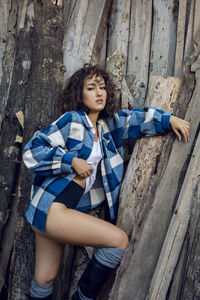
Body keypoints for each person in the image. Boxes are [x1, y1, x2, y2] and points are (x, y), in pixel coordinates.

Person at [23, 63, 190, 300]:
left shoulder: (108, 125)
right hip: (50, 208)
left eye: (102, 87)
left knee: (45, 279)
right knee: (119, 241)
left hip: (57, 213)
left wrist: (169, 119)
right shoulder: (71, 121)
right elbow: (33, 150)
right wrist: (71, 161)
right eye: (91, 88)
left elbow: (137, 119)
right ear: (79, 94)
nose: (99, 93)